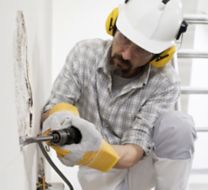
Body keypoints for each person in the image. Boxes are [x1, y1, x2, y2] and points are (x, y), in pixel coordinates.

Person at [41, 0, 197, 189]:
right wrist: (64, 126)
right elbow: (56, 106)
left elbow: (134, 151)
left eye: (140, 49)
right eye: (124, 39)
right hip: (98, 174)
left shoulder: (165, 81)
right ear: (112, 25)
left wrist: (94, 150)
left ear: (160, 56)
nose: (126, 55)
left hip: (140, 170)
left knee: (178, 125)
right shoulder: (84, 54)